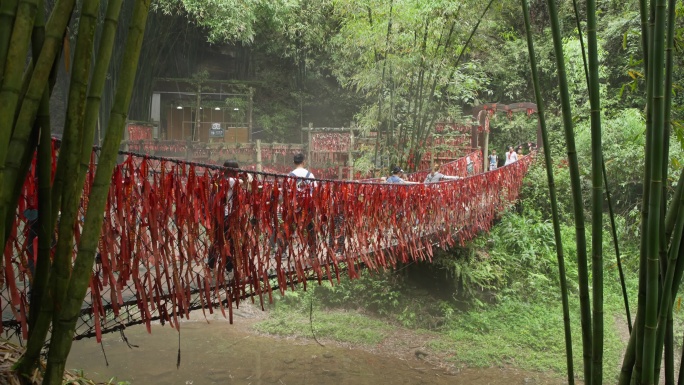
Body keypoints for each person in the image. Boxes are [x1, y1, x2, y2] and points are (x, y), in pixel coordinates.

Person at [208, 160, 240, 273]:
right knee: (228, 242)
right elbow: (246, 181)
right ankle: (229, 268)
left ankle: (211, 265)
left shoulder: (219, 179)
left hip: (218, 215)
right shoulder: (232, 181)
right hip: (227, 216)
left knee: (217, 241)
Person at [288, 153, 317, 259]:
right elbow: (315, 190)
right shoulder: (310, 175)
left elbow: (287, 191)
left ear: (294, 162)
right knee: (310, 228)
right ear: (304, 162)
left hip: (294, 205)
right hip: (308, 205)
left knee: (289, 226)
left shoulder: (290, 175)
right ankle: (312, 252)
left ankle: (281, 252)